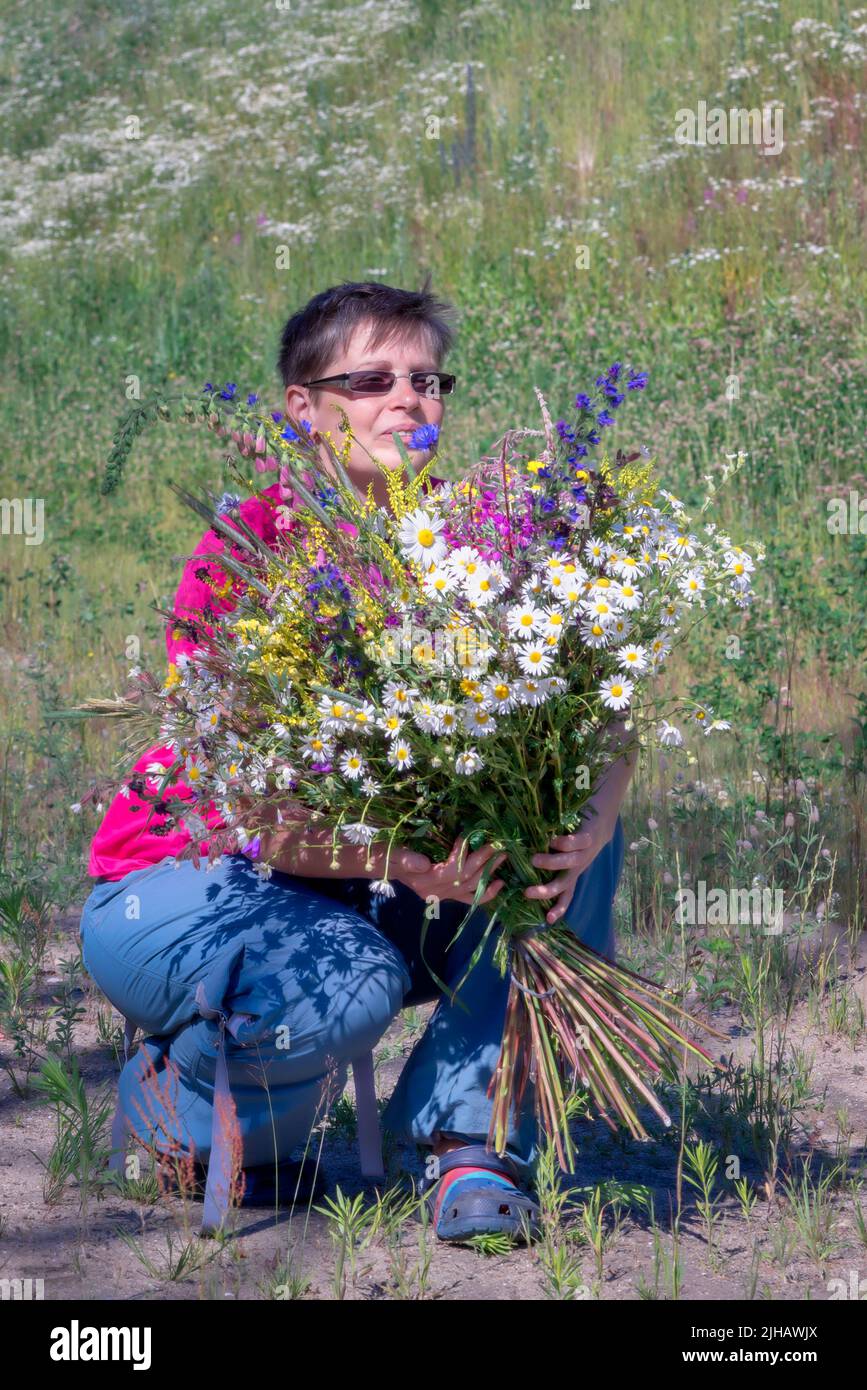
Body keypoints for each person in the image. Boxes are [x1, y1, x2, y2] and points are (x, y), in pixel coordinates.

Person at [79, 278, 633, 1242]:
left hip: (376, 892)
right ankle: (181, 1105)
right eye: (372, 377)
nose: (408, 400)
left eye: (427, 380)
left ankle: (473, 1143)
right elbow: (241, 805)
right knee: (348, 980)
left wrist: (592, 819)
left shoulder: (487, 544)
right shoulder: (249, 550)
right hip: (192, 884)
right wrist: (398, 863)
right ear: (304, 409)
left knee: (561, 844)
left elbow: (608, 715)